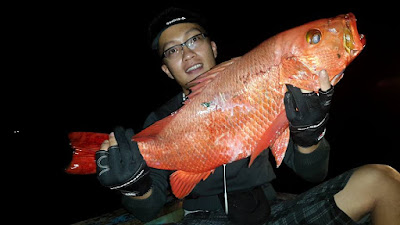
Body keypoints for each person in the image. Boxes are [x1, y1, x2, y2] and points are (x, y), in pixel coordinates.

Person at [95, 7, 400, 224]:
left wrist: (310, 132)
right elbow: (148, 210)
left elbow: (313, 173)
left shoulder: (260, 80)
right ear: (165, 69)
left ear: (212, 46)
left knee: (382, 179)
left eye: (193, 40)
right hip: (206, 219)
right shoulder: (161, 118)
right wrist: (133, 186)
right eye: (172, 50)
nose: (187, 54)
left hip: (272, 211)